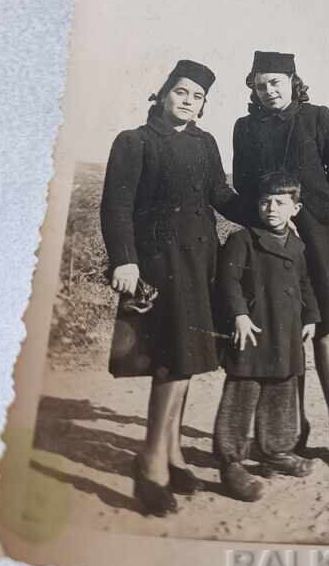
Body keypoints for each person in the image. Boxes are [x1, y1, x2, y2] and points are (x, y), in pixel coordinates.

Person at [100, 59, 244, 516]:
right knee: (170, 362)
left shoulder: (205, 144)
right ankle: (150, 466)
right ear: (163, 94)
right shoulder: (134, 143)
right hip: (157, 266)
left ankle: (174, 452)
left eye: (198, 96)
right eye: (181, 92)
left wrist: (265, 212)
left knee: (188, 360)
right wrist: (124, 258)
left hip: (201, 263)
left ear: (203, 107)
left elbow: (219, 196)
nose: (188, 101)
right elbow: (116, 206)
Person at [232, 50, 329, 469]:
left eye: (275, 82)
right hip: (272, 239)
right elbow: (241, 183)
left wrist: (310, 208)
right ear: (253, 89)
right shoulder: (245, 127)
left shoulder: (318, 117)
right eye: (260, 84)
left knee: (325, 324)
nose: (268, 90)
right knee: (285, 326)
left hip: (320, 234)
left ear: (293, 80)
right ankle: (295, 429)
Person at [213, 171, 319, 501]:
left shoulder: (298, 246)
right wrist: (240, 316)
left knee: (283, 390)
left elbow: (305, 286)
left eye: (280, 202)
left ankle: (275, 453)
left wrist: (311, 317)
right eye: (264, 202)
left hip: (285, 331)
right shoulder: (242, 240)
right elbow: (228, 283)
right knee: (242, 394)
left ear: (295, 209)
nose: (271, 208)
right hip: (253, 330)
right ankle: (230, 461)